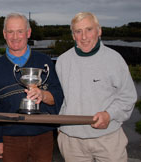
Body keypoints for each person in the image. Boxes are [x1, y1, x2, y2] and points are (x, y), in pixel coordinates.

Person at [55, 12, 137, 162]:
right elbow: (58, 98)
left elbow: (128, 97)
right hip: (72, 141)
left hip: (108, 139)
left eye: (89, 29)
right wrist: (60, 130)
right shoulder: (62, 61)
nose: (84, 36)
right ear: (73, 35)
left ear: (99, 31)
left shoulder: (114, 59)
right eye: (78, 31)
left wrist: (109, 114)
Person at [0, 13, 64, 162]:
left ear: (28, 33)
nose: (15, 37)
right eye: (10, 31)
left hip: (43, 136)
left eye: (20, 31)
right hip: (10, 139)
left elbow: (58, 95)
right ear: (4, 34)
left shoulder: (45, 62)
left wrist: (43, 95)